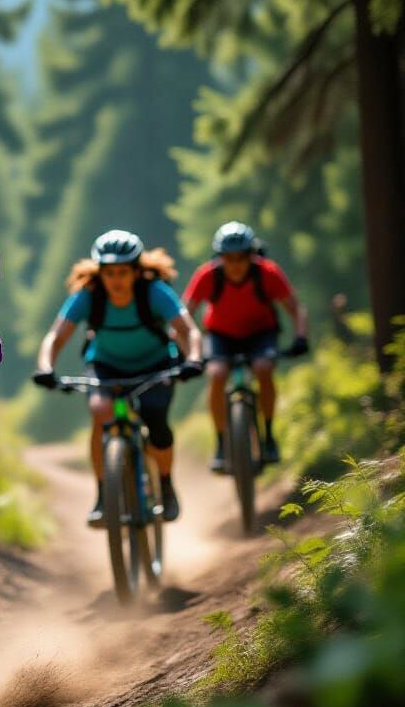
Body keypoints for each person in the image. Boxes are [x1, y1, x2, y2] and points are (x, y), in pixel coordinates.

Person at [32, 230, 203, 525]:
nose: (116, 280)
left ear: (136, 271)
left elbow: (189, 331)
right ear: (100, 273)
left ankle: (165, 485)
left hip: (155, 366)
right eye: (109, 273)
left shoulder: (154, 292)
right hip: (106, 366)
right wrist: (45, 367)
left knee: (156, 419)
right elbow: (55, 337)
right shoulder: (89, 296)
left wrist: (194, 359)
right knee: (101, 413)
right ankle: (103, 496)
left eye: (123, 272)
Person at [183, 221, 309, 471]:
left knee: (263, 368)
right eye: (229, 258)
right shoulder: (207, 275)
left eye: (242, 257)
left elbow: (296, 309)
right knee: (217, 374)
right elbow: (184, 315)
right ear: (219, 257)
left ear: (252, 255)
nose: (236, 264)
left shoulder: (268, 273)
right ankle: (221, 443)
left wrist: (300, 338)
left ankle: (268, 435)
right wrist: (190, 353)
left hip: (260, 333)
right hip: (220, 334)